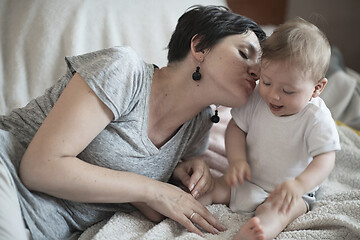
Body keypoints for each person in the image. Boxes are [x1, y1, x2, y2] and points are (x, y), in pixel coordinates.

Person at [0, 5, 266, 239]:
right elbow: (39, 167)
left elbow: (146, 187)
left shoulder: (200, 124)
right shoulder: (124, 70)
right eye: (245, 54)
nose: (256, 71)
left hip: (40, 228)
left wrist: (186, 167)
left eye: (260, 66)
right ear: (199, 47)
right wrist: (153, 190)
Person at [198, 18, 341, 240]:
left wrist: (299, 185)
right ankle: (188, 205)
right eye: (266, 82)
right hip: (246, 180)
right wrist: (236, 160)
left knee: (278, 213)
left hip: (287, 194)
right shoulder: (257, 99)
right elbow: (236, 128)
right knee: (215, 187)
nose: (273, 95)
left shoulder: (315, 118)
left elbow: (325, 158)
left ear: (317, 88)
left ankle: (258, 232)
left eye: (288, 90)